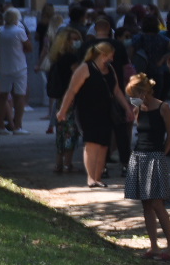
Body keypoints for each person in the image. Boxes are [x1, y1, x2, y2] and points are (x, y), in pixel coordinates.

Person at [57, 41, 133, 188]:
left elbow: (116, 90)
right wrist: (63, 111)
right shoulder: (85, 68)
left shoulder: (110, 69)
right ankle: (91, 178)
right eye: (111, 54)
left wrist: (127, 108)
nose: (113, 58)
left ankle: (98, 178)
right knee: (92, 144)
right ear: (104, 54)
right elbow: (72, 91)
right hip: (87, 111)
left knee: (104, 145)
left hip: (106, 111)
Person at [122, 72, 170, 259]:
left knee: (157, 202)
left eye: (134, 94)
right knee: (145, 204)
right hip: (139, 155)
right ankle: (153, 245)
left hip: (155, 156)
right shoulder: (138, 109)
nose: (133, 98)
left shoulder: (163, 107)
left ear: (143, 91)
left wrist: (161, 154)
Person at [45, 27, 84, 174]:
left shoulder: (58, 57)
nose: (77, 42)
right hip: (71, 98)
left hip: (61, 98)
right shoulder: (71, 58)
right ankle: (68, 164)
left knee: (61, 131)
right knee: (71, 131)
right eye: (73, 39)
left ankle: (59, 163)